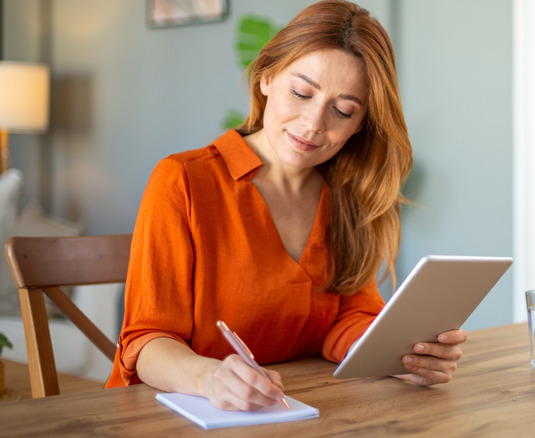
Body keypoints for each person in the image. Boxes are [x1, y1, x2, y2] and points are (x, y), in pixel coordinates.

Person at [106, 0, 468, 411]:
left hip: (294, 413)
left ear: (360, 124)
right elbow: (146, 342)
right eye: (301, 93)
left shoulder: (347, 195)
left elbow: (349, 319)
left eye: (343, 111)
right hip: (166, 416)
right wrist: (209, 378)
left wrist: (400, 355)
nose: (313, 124)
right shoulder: (183, 180)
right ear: (266, 77)